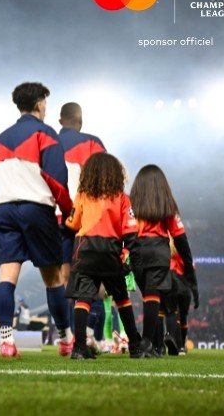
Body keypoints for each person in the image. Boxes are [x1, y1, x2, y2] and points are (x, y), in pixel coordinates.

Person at [0, 82, 74, 358]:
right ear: (39, 104)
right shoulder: (45, 133)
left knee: (7, 278)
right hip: (36, 209)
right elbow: (56, 180)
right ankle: (64, 339)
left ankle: (6, 341)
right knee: (52, 279)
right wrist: (68, 208)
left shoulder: (1, 137)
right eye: (45, 103)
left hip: (5, 209)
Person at [64, 153, 151, 359]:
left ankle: (79, 348)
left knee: (83, 298)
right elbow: (130, 233)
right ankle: (136, 347)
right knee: (121, 298)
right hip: (110, 251)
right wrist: (135, 263)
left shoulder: (83, 195)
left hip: (84, 249)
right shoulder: (122, 198)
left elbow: (72, 223)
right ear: (115, 174)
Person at [129, 164, 197, 357]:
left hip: (137, 251)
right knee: (153, 298)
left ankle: (155, 345)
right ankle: (148, 343)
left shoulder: (131, 204)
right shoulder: (167, 205)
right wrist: (189, 266)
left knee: (149, 298)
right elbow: (180, 237)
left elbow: (126, 229)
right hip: (158, 251)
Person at [57, 102, 106, 286]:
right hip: (85, 219)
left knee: (58, 278)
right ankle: (88, 314)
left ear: (60, 120)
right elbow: (106, 180)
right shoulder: (92, 143)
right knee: (90, 277)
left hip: (55, 217)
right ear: (80, 119)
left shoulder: (46, 142)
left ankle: (63, 316)